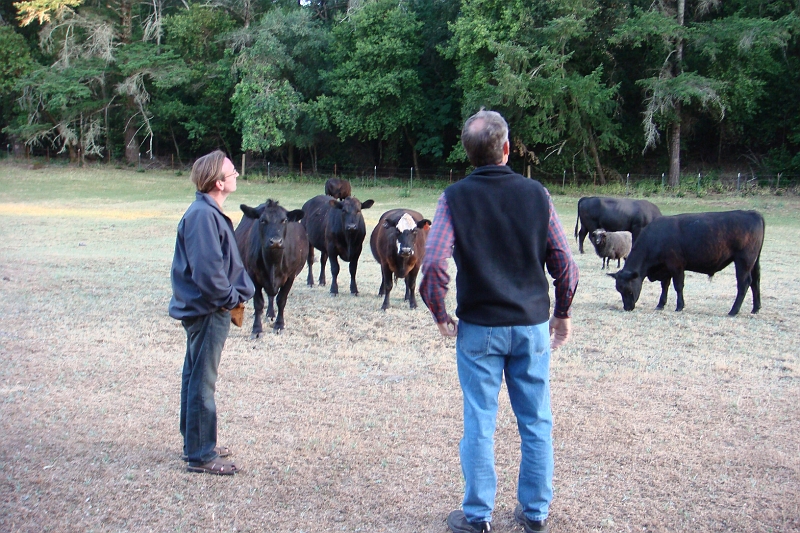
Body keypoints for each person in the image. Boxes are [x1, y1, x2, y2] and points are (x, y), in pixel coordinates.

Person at [420, 110, 579, 533]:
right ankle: (535, 513)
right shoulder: (536, 194)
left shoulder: (453, 198)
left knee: (479, 423)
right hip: (530, 326)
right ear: (506, 148)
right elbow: (565, 263)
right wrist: (561, 313)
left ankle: (477, 518)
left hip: (478, 330)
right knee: (536, 421)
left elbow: (433, 263)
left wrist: (440, 314)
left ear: (467, 153)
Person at [169, 150, 255, 475]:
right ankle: (201, 455)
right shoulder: (203, 216)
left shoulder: (206, 212)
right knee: (203, 380)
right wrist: (231, 299)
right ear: (218, 182)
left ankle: (195, 443)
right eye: (232, 171)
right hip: (210, 310)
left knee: (194, 375)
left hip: (207, 308)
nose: (236, 175)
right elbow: (208, 272)